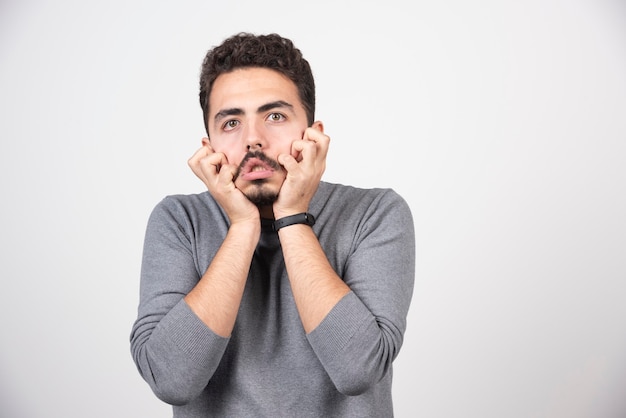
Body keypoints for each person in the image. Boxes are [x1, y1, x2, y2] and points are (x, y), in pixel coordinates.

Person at [130, 32, 415, 417]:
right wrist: (243, 226)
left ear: (313, 133)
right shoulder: (179, 221)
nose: (253, 140)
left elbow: (358, 370)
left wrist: (292, 217)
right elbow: (172, 380)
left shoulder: (375, 213)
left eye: (275, 116)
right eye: (231, 122)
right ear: (209, 143)